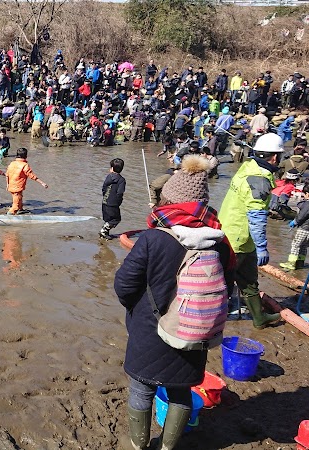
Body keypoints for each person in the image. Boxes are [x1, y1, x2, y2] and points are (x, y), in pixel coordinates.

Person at [115, 154, 233, 450]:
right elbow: (227, 286)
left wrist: (135, 309)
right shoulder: (219, 241)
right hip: (195, 331)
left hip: (150, 330)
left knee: (142, 390)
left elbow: (124, 285)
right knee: (180, 391)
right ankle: (168, 448)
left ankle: (138, 445)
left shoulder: (154, 239)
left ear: (168, 201)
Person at [218, 133, 284, 329]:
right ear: (274, 157)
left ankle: (259, 318)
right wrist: (262, 246)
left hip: (232, 232)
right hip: (239, 237)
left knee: (247, 279)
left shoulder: (248, 167)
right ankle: (215, 318)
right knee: (226, 281)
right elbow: (255, 217)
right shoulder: (260, 178)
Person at [281, 181, 309, 271]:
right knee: (304, 247)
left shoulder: (308, 204)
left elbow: (302, 216)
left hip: (304, 229)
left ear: (308, 194)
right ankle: (300, 263)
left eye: (304, 194)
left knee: (295, 245)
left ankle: (291, 263)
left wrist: (295, 222)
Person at [5, 147, 48, 215]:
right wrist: (42, 183)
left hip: (11, 186)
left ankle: (20, 209)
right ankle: (10, 214)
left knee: (19, 198)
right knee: (15, 205)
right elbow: (32, 176)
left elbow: (7, 174)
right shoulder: (25, 165)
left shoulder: (12, 163)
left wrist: (7, 184)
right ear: (26, 156)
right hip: (17, 187)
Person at [100, 158, 126, 240]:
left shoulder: (108, 177)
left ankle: (105, 233)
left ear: (112, 168)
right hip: (113, 203)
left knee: (108, 218)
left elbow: (104, 188)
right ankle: (103, 231)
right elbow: (120, 193)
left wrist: (105, 197)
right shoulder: (121, 180)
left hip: (105, 201)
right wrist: (119, 202)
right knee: (116, 219)